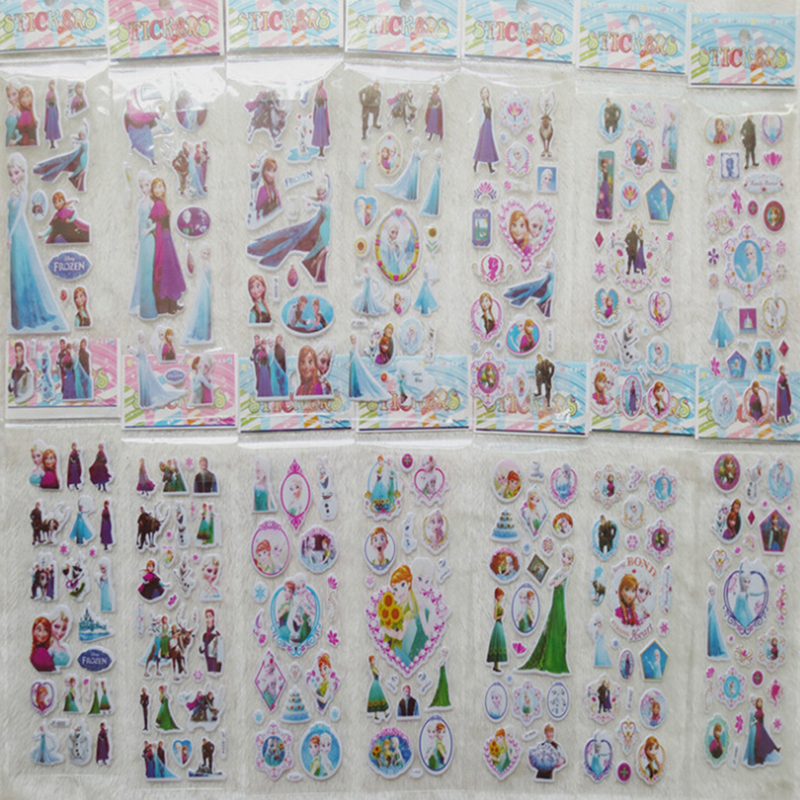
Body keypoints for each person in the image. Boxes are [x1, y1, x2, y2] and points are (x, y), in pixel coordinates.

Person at [7, 153, 68, 332]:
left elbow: (19, 216)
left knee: (22, 271)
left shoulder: (23, 193)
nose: (13, 177)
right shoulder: (12, 193)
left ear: (23, 172)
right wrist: (7, 234)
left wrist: (10, 234)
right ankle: (18, 317)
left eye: (16, 173)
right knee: (16, 274)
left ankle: (27, 315)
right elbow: (9, 217)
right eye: (11, 174)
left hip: (19, 234)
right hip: (13, 234)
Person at [518, 547, 573, 674]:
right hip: (555, 599)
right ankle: (549, 655)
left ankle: (554, 660)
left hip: (559, 600)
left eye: (568, 558)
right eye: (564, 556)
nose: (565, 559)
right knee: (552, 622)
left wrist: (555, 581)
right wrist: (554, 581)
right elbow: (550, 582)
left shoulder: (567, 571)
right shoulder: (560, 570)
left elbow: (556, 582)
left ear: (571, 561)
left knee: (558, 622)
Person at [149, 177, 186, 315]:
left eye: (160, 186)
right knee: (168, 271)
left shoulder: (161, 203)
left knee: (169, 271)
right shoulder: (158, 204)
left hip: (166, 238)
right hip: (163, 240)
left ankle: (171, 305)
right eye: (155, 187)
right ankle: (168, 305)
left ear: (164, 188)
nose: (158, 190)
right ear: (152, 190)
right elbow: (152, 223)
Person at [129, 171, 158, 320]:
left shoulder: (153, 203)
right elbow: (139, 223)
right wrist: (137, 239)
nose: (144, 189)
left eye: (146, 185)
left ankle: (149, 309)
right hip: (143, 239)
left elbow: (157, 222)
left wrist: (149, 230)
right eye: (141, 186)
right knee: (141, 271)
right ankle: (140, 305)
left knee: (148, 272)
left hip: (150, 239)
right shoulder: (141, 203)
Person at [473, 86, 498, 173]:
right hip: (485, 125)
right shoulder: (482, 105)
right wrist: (480, 126)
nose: (485, 94)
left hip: (489, 125)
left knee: (488, 145)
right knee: (482, 145)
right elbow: (480, 116)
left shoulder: (489, 104)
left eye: (486, 92)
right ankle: (475, 165)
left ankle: (490, 167)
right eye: (483, 92)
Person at [486, 587, 508, 673]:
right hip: (498, 624)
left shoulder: (499, 605)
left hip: (500, 624)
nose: (501, 598)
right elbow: (495, 617)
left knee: (499, 643)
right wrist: (501, 615)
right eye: (500, 596)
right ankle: (495, 666)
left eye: (502, 597)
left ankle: (496, 665)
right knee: (497, 643)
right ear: (497, 597)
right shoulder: (496, 606)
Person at [311, 80, 330, 159]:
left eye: (320, 83)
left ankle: (322, 150)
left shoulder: (323, 92)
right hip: (318, 113)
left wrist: (322, 103)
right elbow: (315, 104)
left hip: (321, 113)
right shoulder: (317, 92)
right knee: (318, 131)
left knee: (322, 131)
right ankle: (320, 150)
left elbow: (325, 103)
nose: (318, 84)